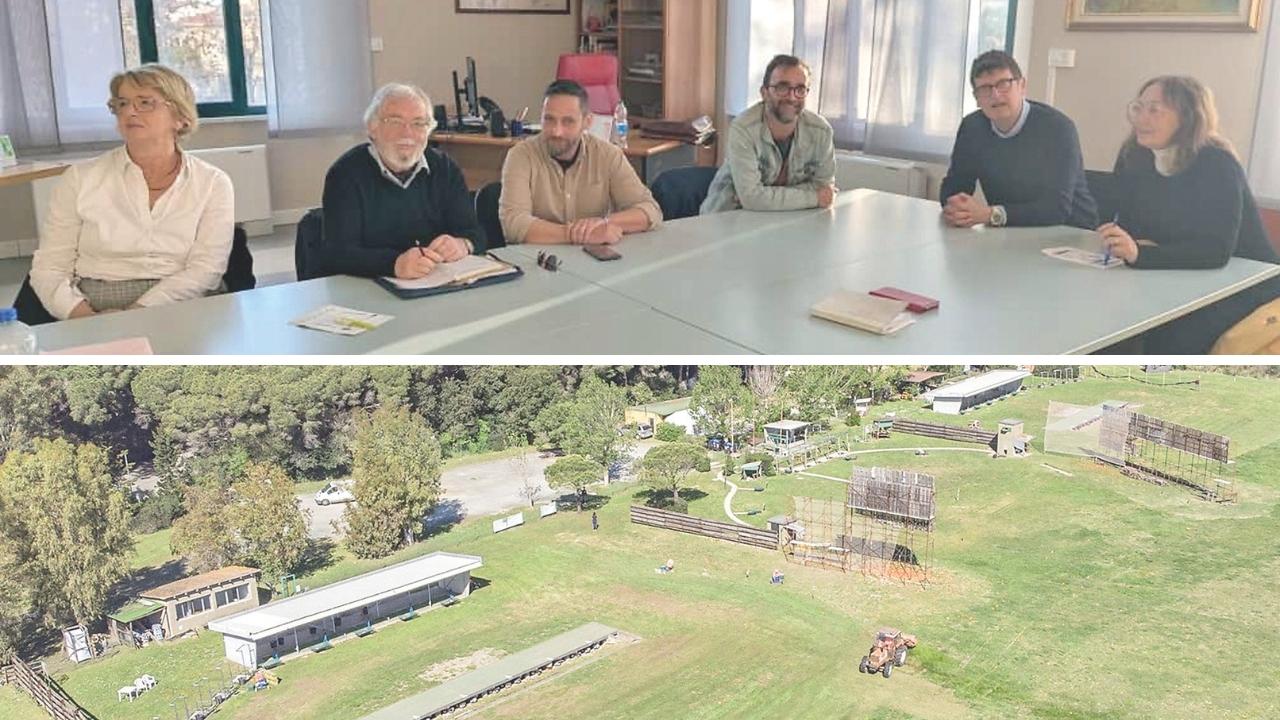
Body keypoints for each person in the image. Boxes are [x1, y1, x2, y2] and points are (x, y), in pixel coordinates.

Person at [30, 64, 234, 320]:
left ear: (180, 117)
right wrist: (84, 318)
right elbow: (49, 267)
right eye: (122, 104)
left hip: (180, 299)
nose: (130, 112)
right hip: (92, 304)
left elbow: (207, 269)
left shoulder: (213, 182)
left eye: (145, 103)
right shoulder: (80, 178)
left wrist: (136, 315)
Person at [1099, 76, 1280, 354]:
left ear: (1187, 118)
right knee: (1110, 320)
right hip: (1174, 272)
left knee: (1171, 336)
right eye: (1138, 108)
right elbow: (1126, 221)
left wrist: (1140, 255)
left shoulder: (1217, 163)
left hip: (1245, 281)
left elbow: (1215, 251)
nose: (1140, 118)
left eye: (1154, 110)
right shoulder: (1134, 155)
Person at [321, 83, 484, 280]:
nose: (407, 133)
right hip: (371, 291)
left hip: (436, 285)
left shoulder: (445, 168)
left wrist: (462, 244)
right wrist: (394, 264)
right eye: (395, 122)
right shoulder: (345, 174)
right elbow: (338, 254)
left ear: (428, 131)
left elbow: (475, 232)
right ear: (372, 128)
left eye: (418, 123)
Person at [940, 51, 1097, 230]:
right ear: (976, 98)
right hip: (1009, 231)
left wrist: (990, 214)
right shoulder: (972, 127)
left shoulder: (1058, 128)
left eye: (1004, 84)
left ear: (1022, 86)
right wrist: (956, 206)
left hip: (1070, 234)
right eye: (985, 89)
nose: (996, 95)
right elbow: (955, 186)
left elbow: (1057, 208)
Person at [499, 80, 661, 245]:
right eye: (549, 119)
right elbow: (514, 224)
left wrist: (605, 223)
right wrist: (577, 234)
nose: (557, 131)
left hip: (594, 261)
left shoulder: (608, 155)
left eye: (568, 121)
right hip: (539, 260)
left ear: (587, 122)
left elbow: (650, 210)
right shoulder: (520, 155)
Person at [701, 54, 836, 214]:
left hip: (787, 218)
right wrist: (814, 197)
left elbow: (824, 188)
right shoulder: (743, 128)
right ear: (764, 92)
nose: (792, 97)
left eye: (800, 89)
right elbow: (752, 198)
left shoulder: (821, 131)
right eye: (782, 88)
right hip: (728, 218)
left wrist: (764, 196)